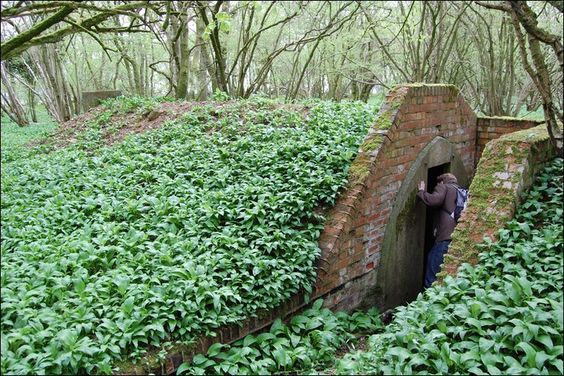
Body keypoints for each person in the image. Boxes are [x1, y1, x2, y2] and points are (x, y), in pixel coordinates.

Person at [416, 172, 459, 288]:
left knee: (433, 265)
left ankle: (429, 298)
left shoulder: (444, 186)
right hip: (456, 237)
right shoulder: (459, 191)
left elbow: (434, 200)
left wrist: (421, 192)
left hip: (445, 237)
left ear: (441, 181)